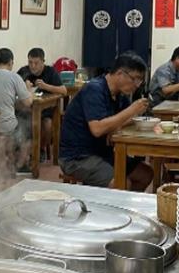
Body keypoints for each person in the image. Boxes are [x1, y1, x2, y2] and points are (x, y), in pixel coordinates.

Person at [58, 52, 153, 190]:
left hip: (102, 152)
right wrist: (132, 110)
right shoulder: (94, 89)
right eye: (135, 79)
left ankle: (122, 208)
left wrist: (135, 116)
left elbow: (122, 120)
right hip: (78, 157)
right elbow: (97, 129)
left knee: (145, 174)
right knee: (122, 183)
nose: (137, 85)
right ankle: (114, 206)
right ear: (121, 73)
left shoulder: (120, 94)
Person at [16, 48, 67, 160]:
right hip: (26, 109)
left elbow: (64, 91)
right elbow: (13, 89)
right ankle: (22, 154)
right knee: (17, 121)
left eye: (36, 63)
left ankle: (40, 149)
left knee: (47, 125)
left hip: (46, 110)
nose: (33, 66)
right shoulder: (23, 71)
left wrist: (46, 86)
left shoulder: (50, 72)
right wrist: (23, 88)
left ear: (43, 62)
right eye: (30, 62)